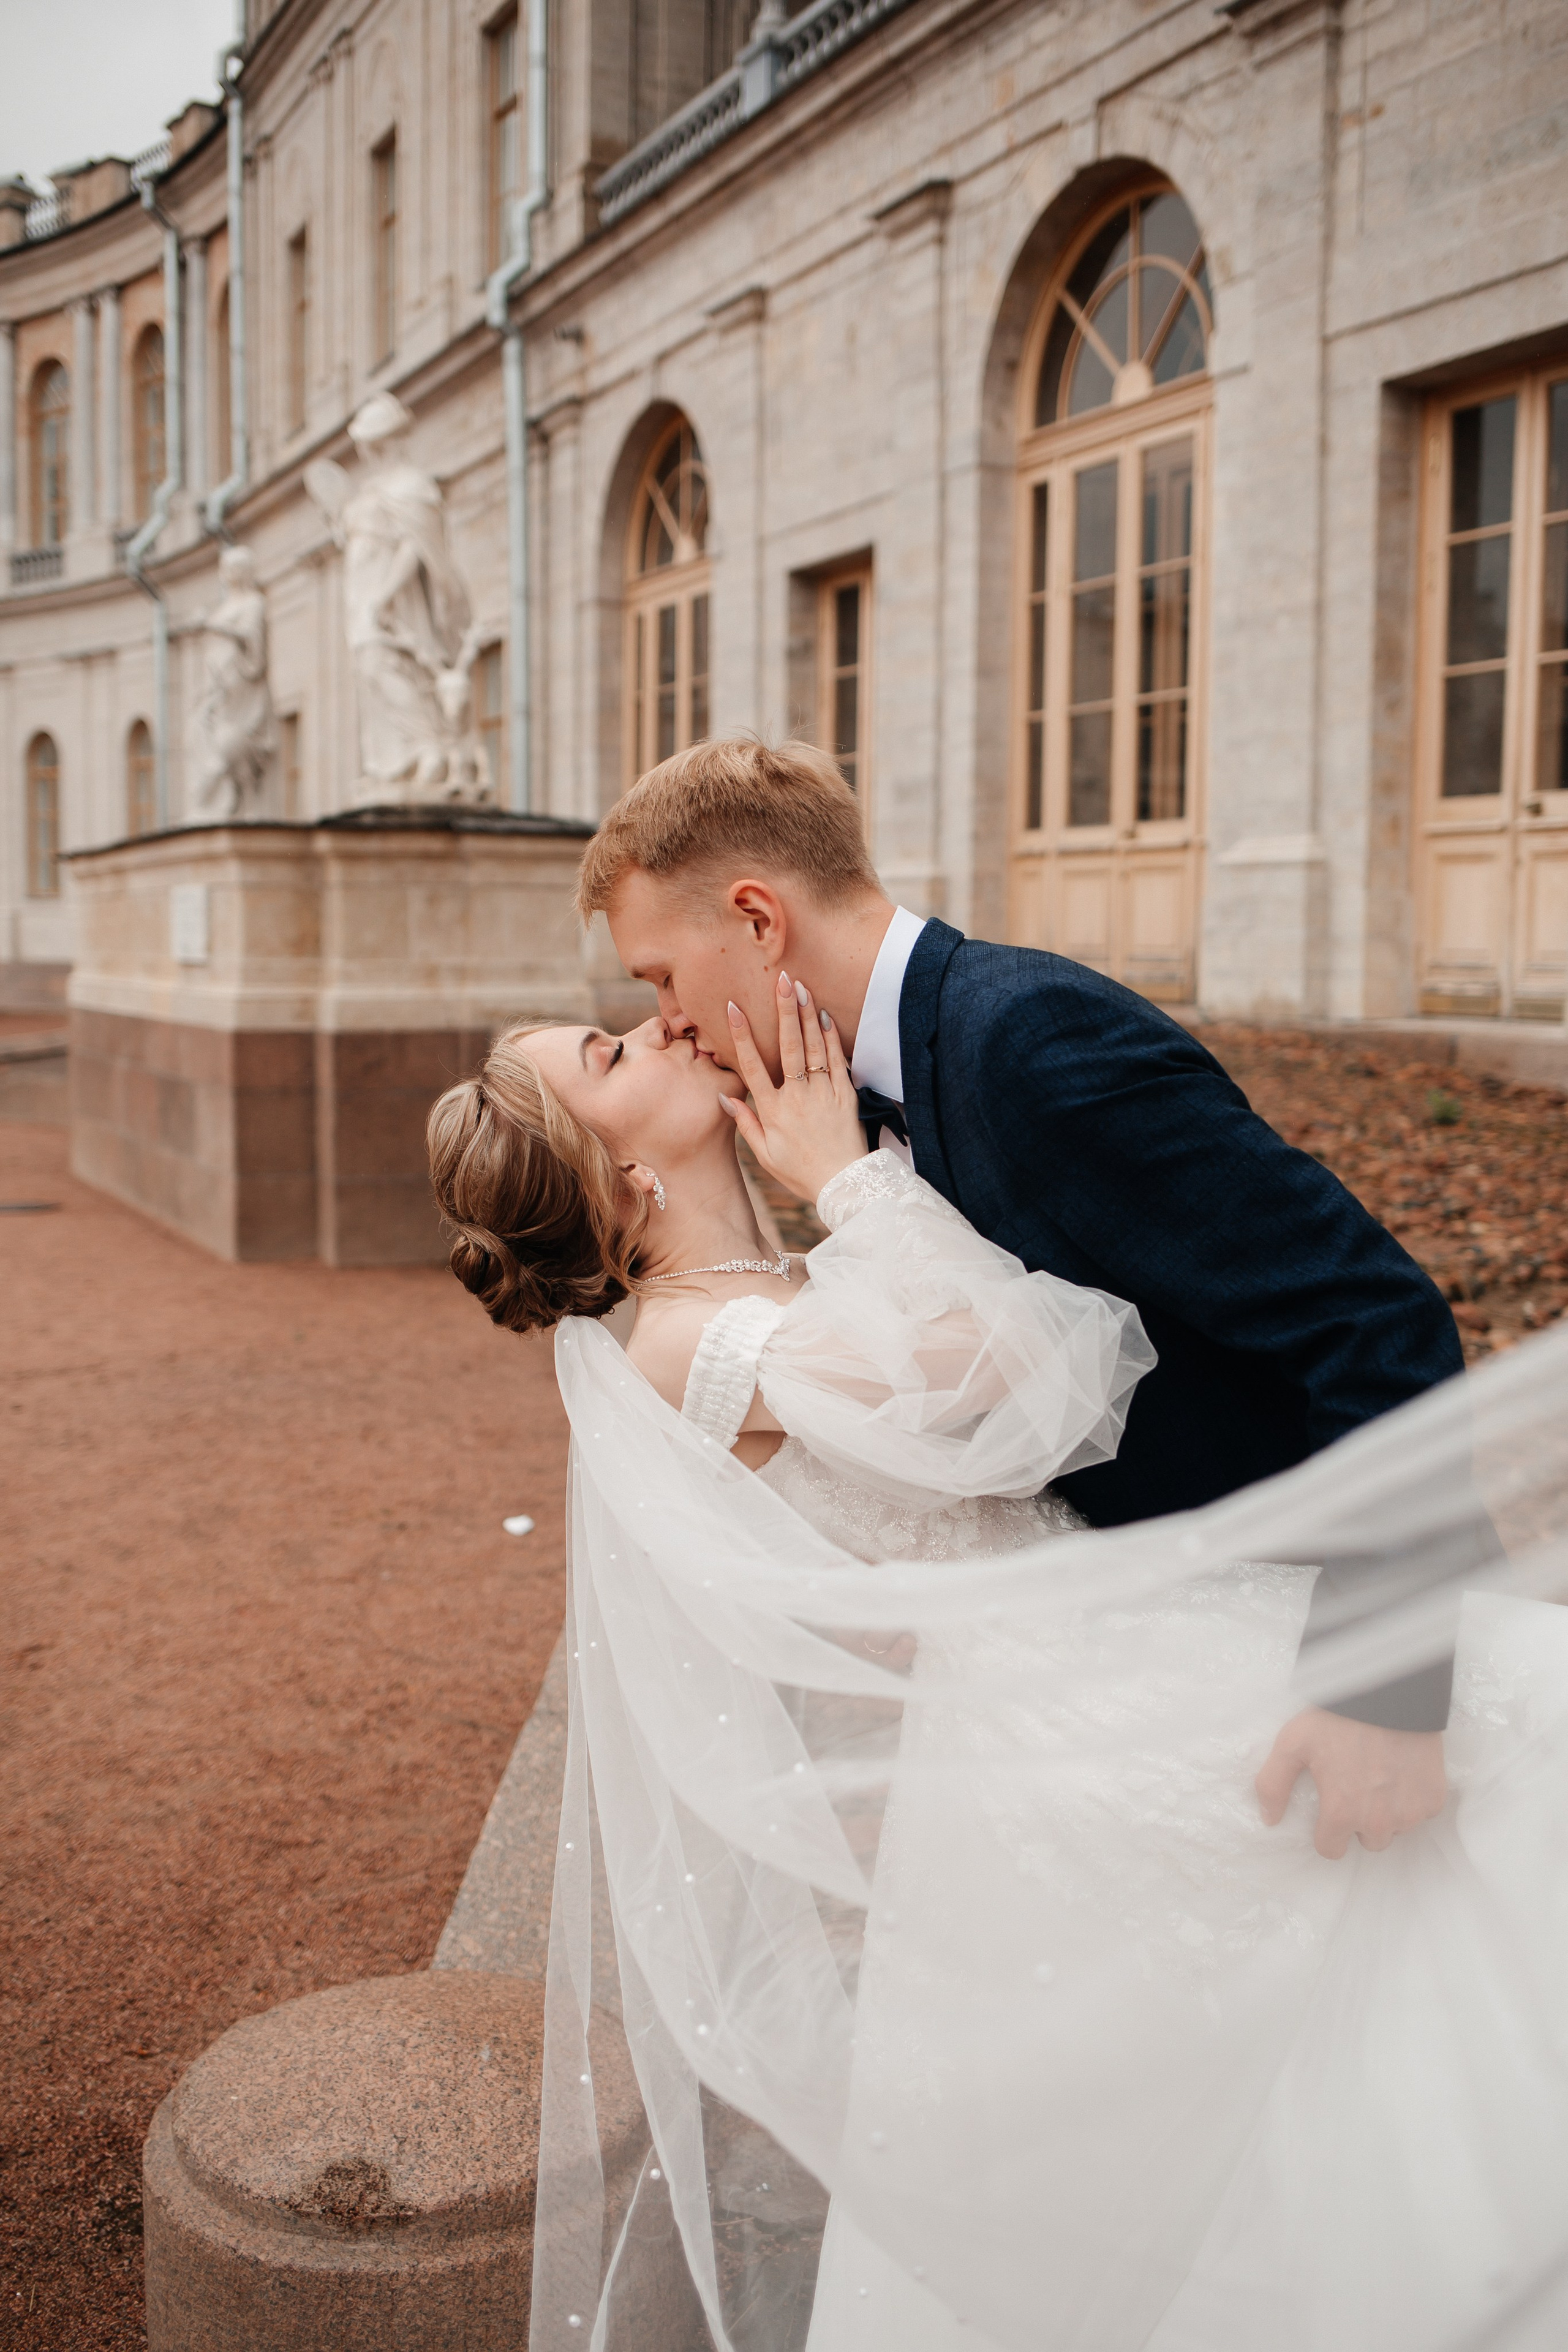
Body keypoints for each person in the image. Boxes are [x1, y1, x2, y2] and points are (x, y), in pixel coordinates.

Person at [427, 949, 1568, 2351]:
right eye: (609, 1057)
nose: (653, 1026)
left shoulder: (747, 1290)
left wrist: (832, 1194)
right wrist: (850, 1178)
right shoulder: (692, 1347)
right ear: (619, 1183)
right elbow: (1037, 1377)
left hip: (1104, 1647)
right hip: (1071, 1708)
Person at [576, 737, 1465, 1858]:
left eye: (660, 975)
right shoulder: (851, 1100)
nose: (666, 1014)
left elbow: (1376, 1319)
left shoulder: (1028, 1039)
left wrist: (1380, 1688)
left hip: (1294, 1641)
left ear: (757, 920)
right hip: (1155, 1676)